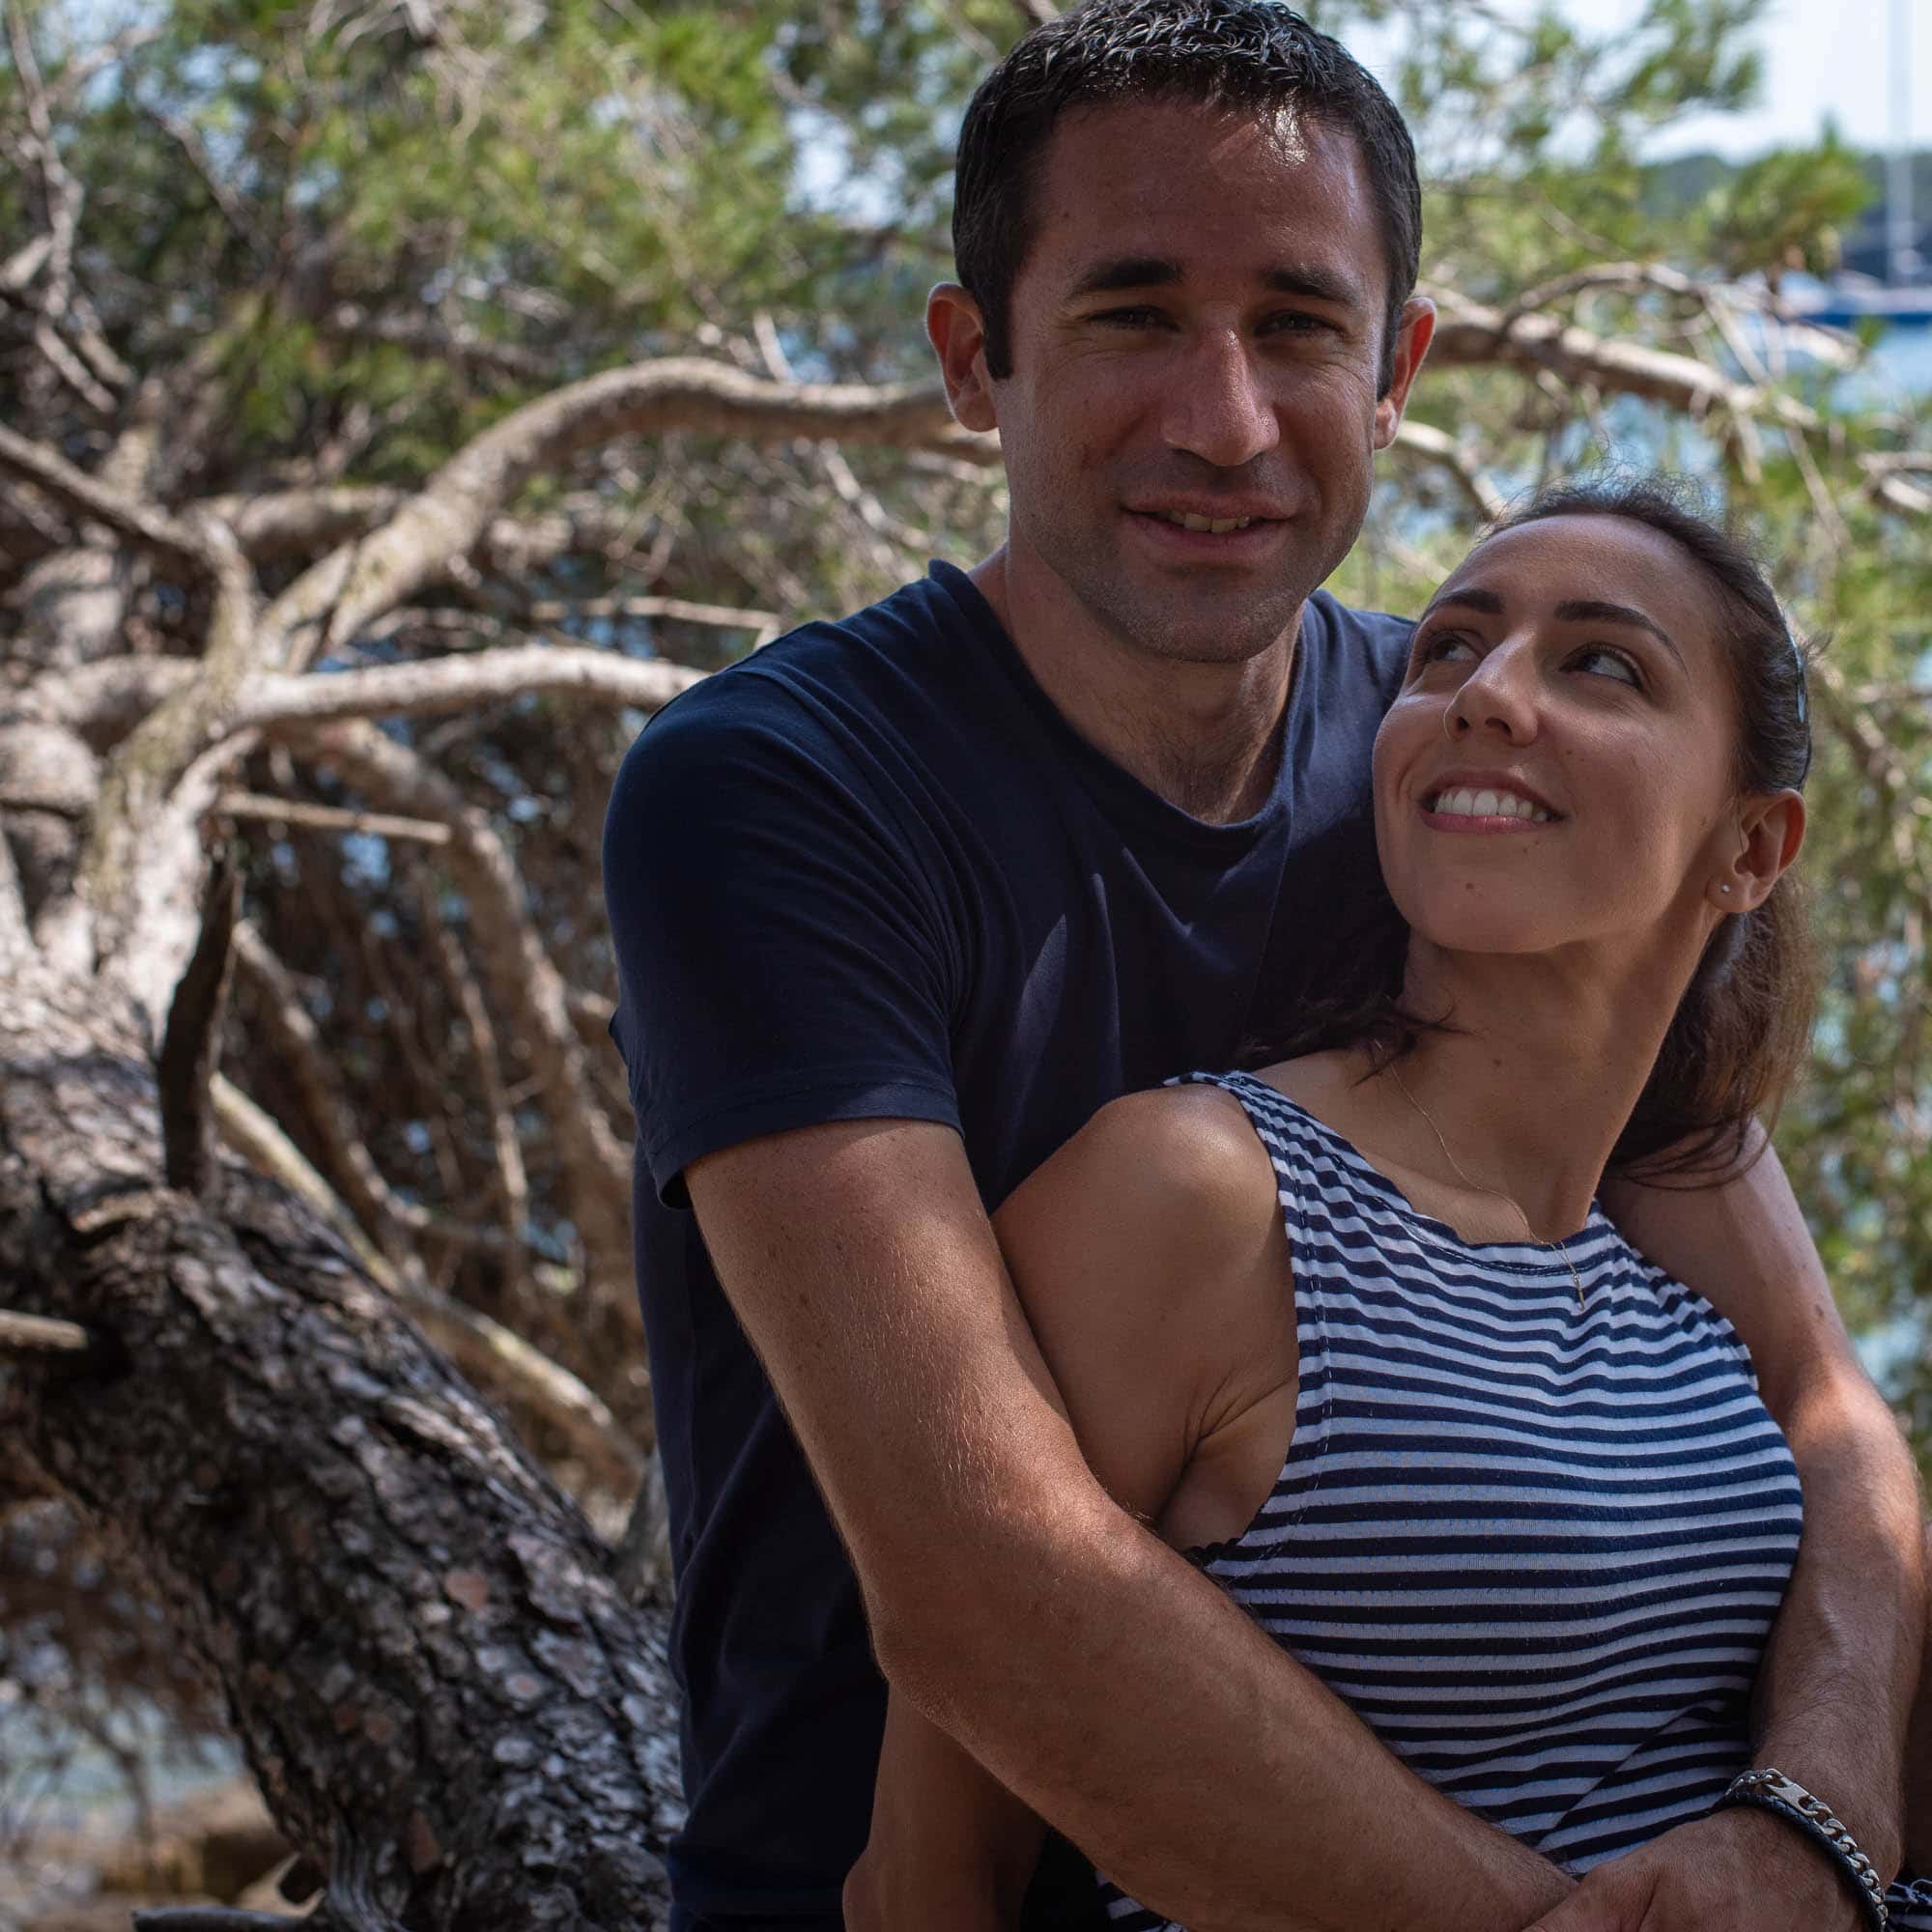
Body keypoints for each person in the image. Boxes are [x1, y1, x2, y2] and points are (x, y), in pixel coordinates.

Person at [600, 4, 1925, 1926]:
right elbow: (983, 1576)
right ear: (977, 363)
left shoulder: (1446, 755)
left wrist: (1814, 1812)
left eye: (1297, 327)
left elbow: (1822, 1404)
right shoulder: (790, 789)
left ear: (1396, 369)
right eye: (1133, 313)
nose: (1222, 421)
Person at [844, 480, 1932, 1932]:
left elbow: (1850, 1454)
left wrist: (1814, 1826)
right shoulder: (1204, 1195)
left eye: (1599, 662)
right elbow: (929, 1878)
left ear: (1752, 849)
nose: (1486, 693)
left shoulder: (1680, 1247)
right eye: (1447, 650)